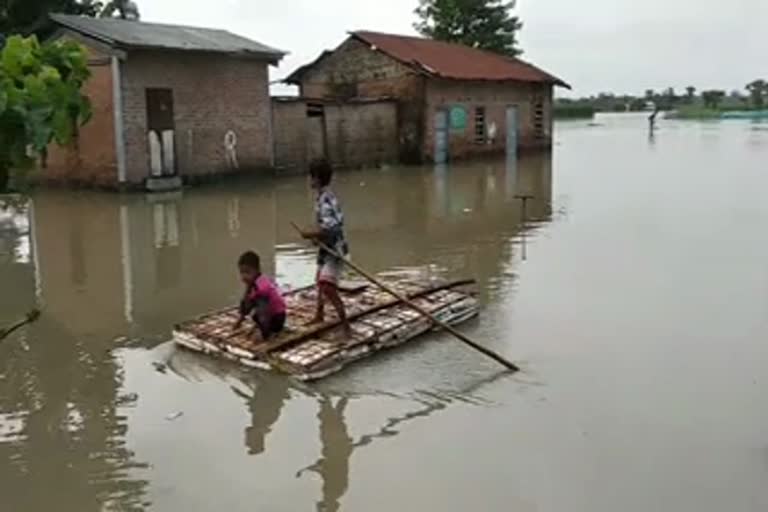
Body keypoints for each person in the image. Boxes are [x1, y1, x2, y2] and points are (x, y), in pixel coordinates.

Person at [300, 159, 352, 339]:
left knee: (327, 287)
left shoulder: (326, 200)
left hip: (335, 250)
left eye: (311, 177)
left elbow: (332, 230)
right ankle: (319, 315)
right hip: (327, 248)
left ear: (318, 179)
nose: (309, 180)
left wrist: (311, 234)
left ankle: (346, 327)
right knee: (319, 280)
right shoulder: (323, 196)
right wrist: (317, 238)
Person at [234, 251, 286, 341]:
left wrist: (263, 334)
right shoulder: (252, 282)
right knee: (249, 303)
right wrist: (239, 321)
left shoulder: (262, 287)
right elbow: (245, 301)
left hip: (277, 318)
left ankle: (267, 332)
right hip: (269, 313)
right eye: (241, 272)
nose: (243, 276)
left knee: (259, 307)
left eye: (247, 272)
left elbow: (263, 312)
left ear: (257, 270)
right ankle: (262, 328)